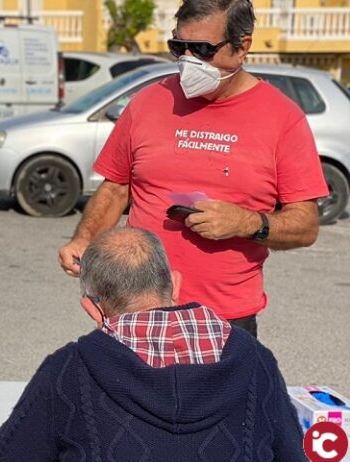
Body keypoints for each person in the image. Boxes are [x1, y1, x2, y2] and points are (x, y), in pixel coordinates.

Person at [57, 0, 329, 338]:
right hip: (137, 312)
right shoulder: (147, 102)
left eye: (202, 49)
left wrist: (245, 222)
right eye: (179, 47)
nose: (188, 61)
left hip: (225, 322)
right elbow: (115, 188)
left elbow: (305, 226)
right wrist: (84, 239)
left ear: (242, 46)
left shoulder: (283, 119)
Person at [0, 227, 305, 462]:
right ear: (175, 285)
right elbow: (293, 459)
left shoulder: (69, 369)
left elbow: (1, 460)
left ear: (93, 309)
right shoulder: (253, 357)